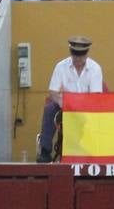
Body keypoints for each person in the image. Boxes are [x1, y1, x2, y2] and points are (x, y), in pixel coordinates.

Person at [39, 35, 104, 163]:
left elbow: (95, 97)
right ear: (71, 53)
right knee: (49, 110)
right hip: (64, 107)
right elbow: (53, 92)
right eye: (75, 55)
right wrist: (63, 102)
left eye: (81, 55)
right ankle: (45, 151)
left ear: (87, 54)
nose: (78, 58)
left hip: (86, 109)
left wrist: (73, 99)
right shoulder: (60, 66)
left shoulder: (95, 69)